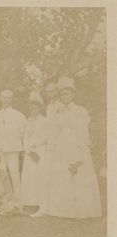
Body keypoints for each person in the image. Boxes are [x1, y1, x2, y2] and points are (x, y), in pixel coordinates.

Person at [36, 77, 102, 219]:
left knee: (77, 175)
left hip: (76, 145)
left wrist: (79, 152)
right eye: (63, 94)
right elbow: (54, 130)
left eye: (68, 94)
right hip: (61, 147)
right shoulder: (57, 110)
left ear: (73, 95)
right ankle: (63, 210)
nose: (65, 97)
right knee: (62, 177)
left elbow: (82, 131)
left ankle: (79, 210)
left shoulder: (80, 111)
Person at [0, 89, 26, 207]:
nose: (6, 100)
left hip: (12, 148)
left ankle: (19, 202)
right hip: (0, 149)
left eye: (8, 98)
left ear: (12, 99)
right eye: (4, 97)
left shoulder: (18, 115)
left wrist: (13, 143)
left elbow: (22, 132)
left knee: (15, 174)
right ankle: (4, 200)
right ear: (0, 99)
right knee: (2, 175)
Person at [20, 91, 47, 208]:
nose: (33, 111)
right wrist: (29, 151)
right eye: (31, 109)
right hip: (29, 153)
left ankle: (41, 202)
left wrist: (36, 149)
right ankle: (29, 202)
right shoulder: (27, 121)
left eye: (35, 108)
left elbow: (45, 137)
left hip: (40, 151)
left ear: (39, 109)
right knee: (29, 177)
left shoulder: (44, 121)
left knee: (39, 176)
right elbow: (24, 138)